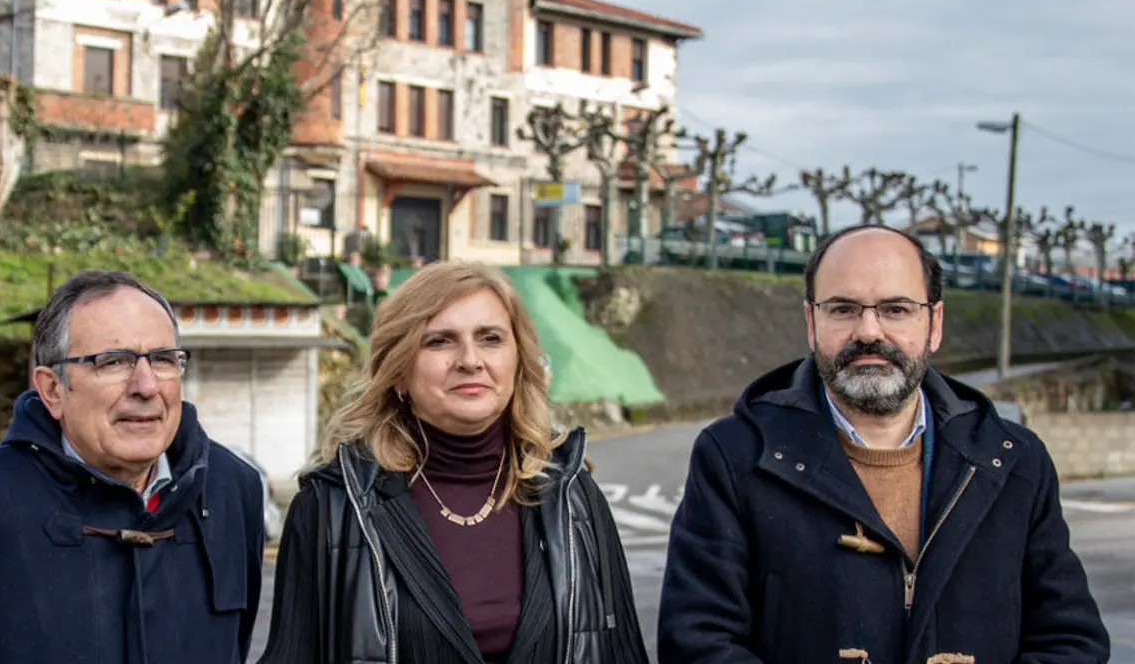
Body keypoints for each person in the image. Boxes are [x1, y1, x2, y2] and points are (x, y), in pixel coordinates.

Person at [658, 224, 1111, 663]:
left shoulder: (1014, 462)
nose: (869, 331)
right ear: (811, 322)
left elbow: (1071, 640)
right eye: (843, 309)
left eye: (895, 309)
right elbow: (698, 643)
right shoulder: (734, 457)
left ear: (934, 323)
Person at [0, 270, 267, 663]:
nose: (146, 386)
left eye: (163, 359)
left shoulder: (233, 489)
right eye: (113, 362)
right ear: (53, 390)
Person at [259, 260, 648, 664]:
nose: (470, 360)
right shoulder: (333, 506)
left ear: (518, 361)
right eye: (440, 341)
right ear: (399, 373)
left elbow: (621, 653)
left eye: (490, 338)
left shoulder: (572, 494)